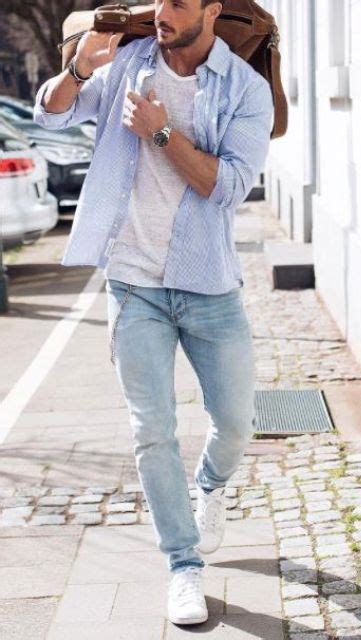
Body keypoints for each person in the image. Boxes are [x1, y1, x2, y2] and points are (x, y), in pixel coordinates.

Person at [33, 0, 274, 626]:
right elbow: (51, 115)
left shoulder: (244, 88)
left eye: (178, 3)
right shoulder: (128, 63)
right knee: (151, 430)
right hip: (133, 283)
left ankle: (212, 489)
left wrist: (163, 134)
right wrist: (80, 72)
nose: (162, 12)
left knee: (237, 420)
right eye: (159, 0)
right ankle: (182, 565)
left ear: (212, 11)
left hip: (209, 284)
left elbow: (226, 187)